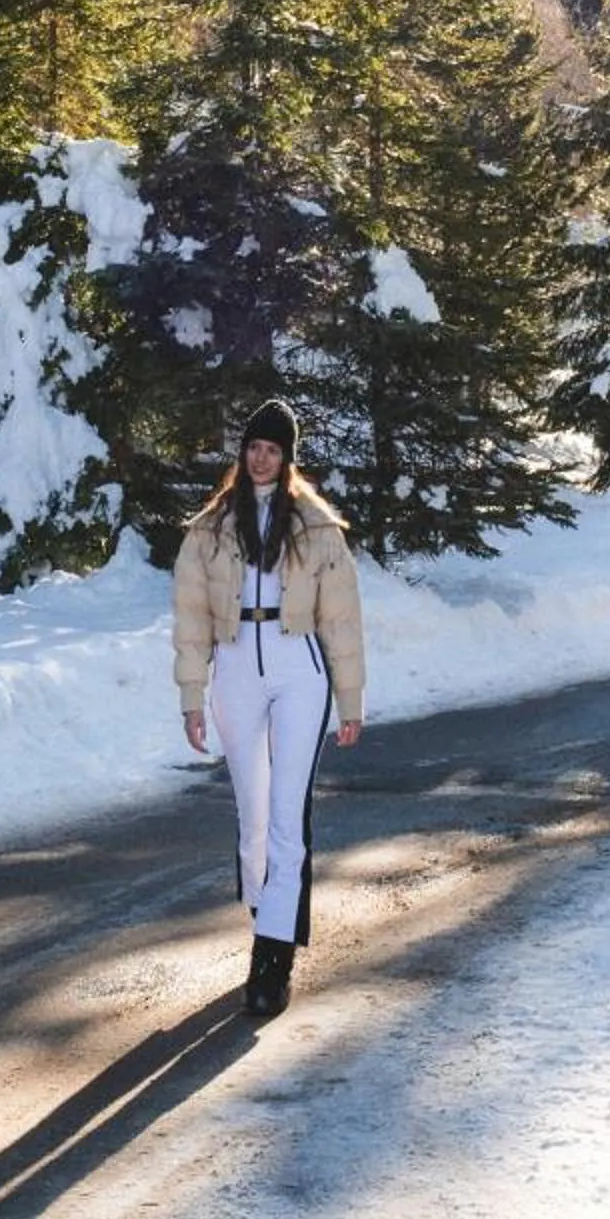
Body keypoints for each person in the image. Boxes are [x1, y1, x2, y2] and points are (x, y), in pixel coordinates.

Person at [172, 397, 364, 1020]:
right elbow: (191, 619)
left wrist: (351, 701)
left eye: (273, 450)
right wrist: (191, 697)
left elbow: (342, 620)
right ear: (243, 453)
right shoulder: (211, 527)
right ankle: (268, 909)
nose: (261, 458)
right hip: (234, 672)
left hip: (297, 671)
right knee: (252, 819)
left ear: (287, 460)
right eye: (254, 447)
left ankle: (272, 957)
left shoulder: (316, 527)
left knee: (287, 817)